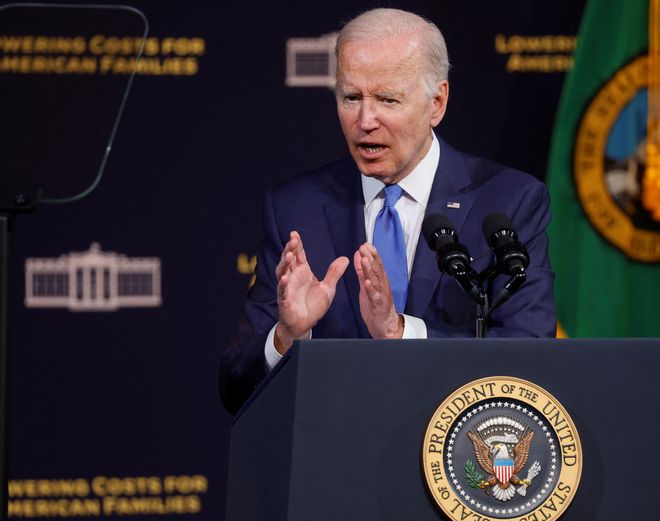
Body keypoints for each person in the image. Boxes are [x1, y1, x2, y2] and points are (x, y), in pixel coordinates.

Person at [219, 8, 556, 415]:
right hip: (333, 459)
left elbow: (532, 354)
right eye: (351, 97)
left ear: (437, 103)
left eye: (387, 99)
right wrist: (288, 337)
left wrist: (402, 334)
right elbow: (234, 385)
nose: (365, 120)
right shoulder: (296, 207)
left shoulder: (508, 200)